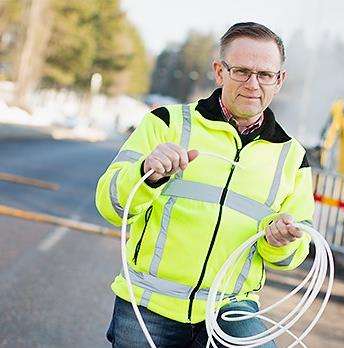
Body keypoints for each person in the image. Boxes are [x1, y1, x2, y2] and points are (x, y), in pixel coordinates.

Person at [95, 22, 315, 347]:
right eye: (241, 71)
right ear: (219, 71)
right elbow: (110, 204)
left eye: (265, 74)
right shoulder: (166, 123)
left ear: (279, 80)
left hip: (230, 311)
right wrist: (147, 174)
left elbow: (292, 255)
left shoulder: (292, 157)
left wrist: (281, 240)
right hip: (150, 306)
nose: (253, 84)